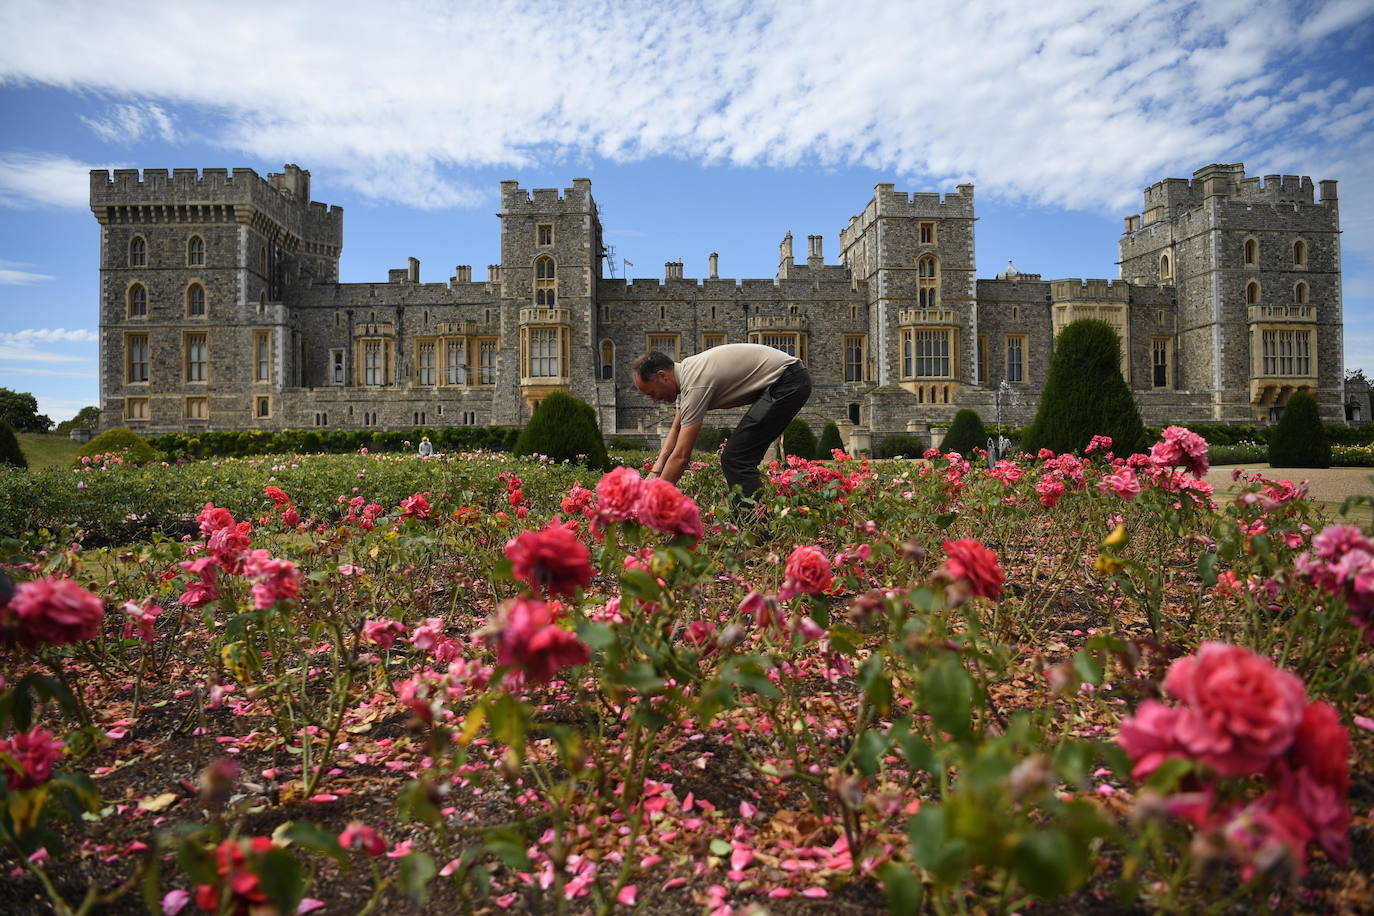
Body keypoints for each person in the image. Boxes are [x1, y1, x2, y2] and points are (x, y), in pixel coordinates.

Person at [632, 343, 811, 511]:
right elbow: (675, 430)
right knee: (737, 457)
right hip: (784, 381)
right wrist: (655, 472)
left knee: (736, 459)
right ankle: (748, 521)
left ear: (663, 376)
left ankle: (757, 528)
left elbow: (681, 456)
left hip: (788, 382)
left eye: (652, 393)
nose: (654, 400)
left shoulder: (695, 384)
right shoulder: (686, 376)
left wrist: (652, 500)